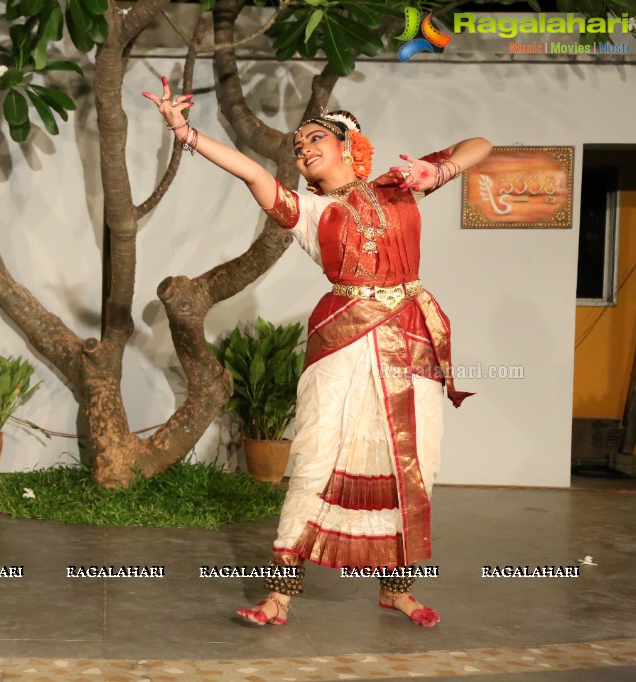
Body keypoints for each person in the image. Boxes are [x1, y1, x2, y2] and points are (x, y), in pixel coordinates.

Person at [143, 77, 491, 627]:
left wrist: (438, 170)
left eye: (313, 140)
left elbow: (481, 145)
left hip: (409, 340)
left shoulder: (401, 188)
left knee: (412, 460)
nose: (302, 150)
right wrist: (184, 132)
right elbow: (253, 173)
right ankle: (279, 595)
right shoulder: (305, 212)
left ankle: (395, 588)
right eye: (298, 148)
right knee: (315, 457)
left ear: (350, 146)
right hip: (344, 340)